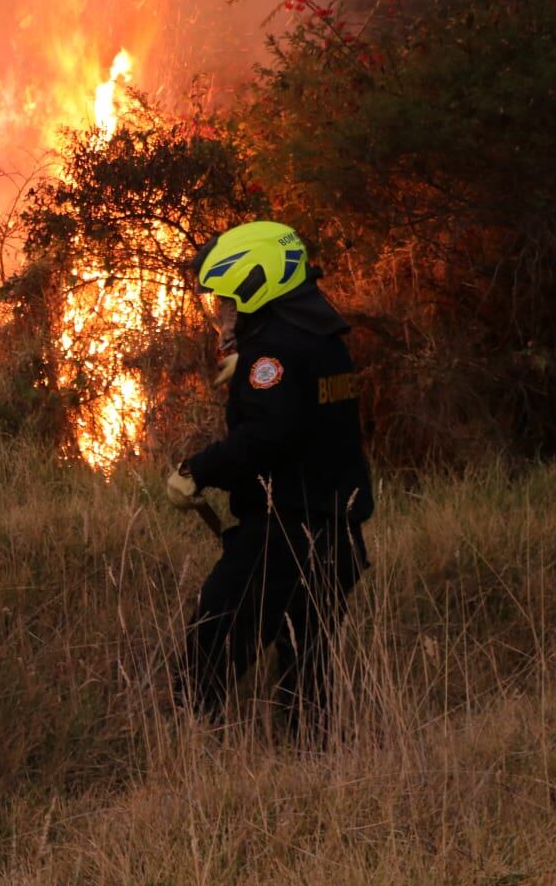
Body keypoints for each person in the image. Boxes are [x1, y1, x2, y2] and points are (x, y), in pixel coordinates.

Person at [166, 220, 372, 743]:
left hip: (283, 532)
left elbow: (267, 436)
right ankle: (312, 761)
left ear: (257, 286)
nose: (222, 313)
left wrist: (199, 470)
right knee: (307, 660)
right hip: (336, 530)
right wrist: (248, 368)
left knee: (214, 636)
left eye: (228, 300)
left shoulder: (273, 353)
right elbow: (304, 411)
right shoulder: (323, 338)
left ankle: (184, 751)